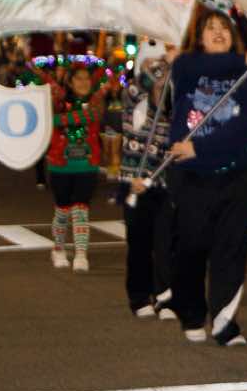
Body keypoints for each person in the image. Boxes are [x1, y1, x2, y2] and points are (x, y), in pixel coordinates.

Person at [165, 11, 247, 346]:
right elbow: (190, 66)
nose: (219, 32)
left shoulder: (246, 72)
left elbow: (245, 124)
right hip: (192, 176)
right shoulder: (186, 65)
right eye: (211, 28)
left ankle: (224, 322)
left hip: (236, 173)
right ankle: (192, 314)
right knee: (190, 247)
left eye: (225, 28)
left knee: (232, 248)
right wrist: (244, 58)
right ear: (199, 37)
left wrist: (199, 148)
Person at [118, 42, 176, 317]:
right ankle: (139, 297)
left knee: (165, 243)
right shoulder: (133, 94)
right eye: (151, 64)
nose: (157, 70)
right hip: (134, 182)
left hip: (163, 182)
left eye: (160, 64)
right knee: (139, 243)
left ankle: (165, 296)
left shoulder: (173, 99)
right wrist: (166, 60)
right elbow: (144, 82)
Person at [45, 61, 107, 272]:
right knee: (62, 210)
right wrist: (60, 119)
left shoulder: (96, 100)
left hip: (87, 165)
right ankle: (58, 249)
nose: (83, 82)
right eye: (78, 78)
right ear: (70, 82)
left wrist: (61, 119)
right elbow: (49, 120)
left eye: (87, 78)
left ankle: (81, 253)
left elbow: (94, 115)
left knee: (81, 209)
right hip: (60, 165)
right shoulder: (57, 100)